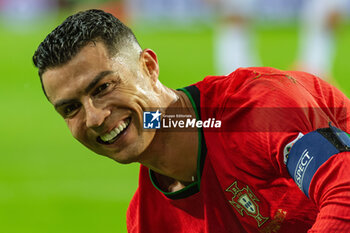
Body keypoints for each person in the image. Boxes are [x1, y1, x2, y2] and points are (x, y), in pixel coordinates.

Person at [32, 9, 350, 233]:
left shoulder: (254, 108)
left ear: (148, 66)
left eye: (103, 88)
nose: (96, 117)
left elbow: (345, 186)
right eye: (71, 109)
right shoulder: (146, 220)